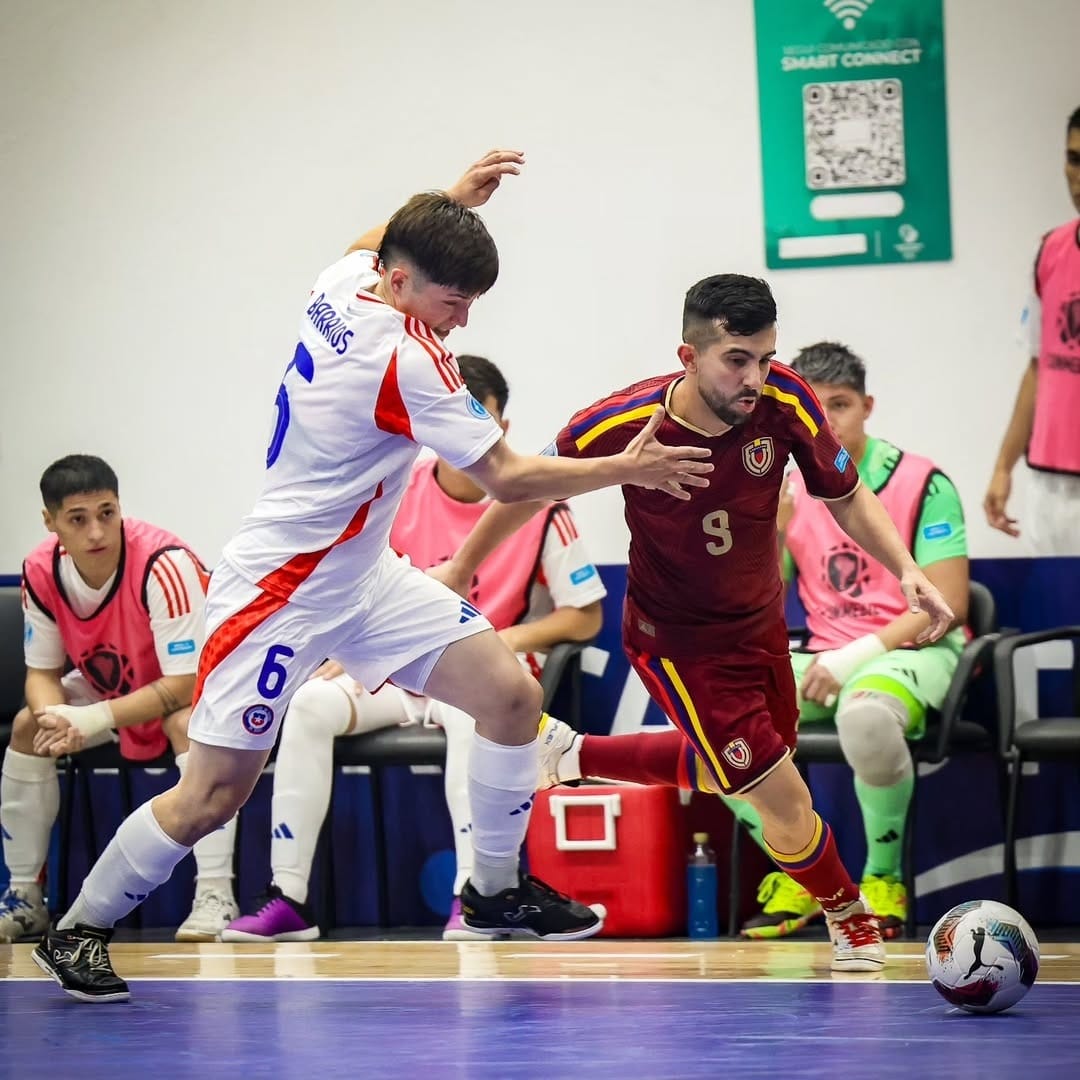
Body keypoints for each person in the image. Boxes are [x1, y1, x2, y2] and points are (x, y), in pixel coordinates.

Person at [34, 149, 712, 1002]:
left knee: (509, 696)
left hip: (362, 577)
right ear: (399, 284)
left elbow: (378, 233)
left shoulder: (345, 280)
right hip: (278, 595)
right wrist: (626, 469)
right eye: (450, 300)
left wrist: (452, 202)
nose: (461, 322)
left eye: (471, 304)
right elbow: (506, 476)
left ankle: (494, 891)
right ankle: (79, 929)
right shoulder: (407, 361)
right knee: (212, 795)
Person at [434, 278, 956, 973]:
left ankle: (572, 755)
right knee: (781, 791)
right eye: (737, 360)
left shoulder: (785, 401)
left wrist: (905, 570)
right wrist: (463, 565)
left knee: (739, 776)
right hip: (677, 642)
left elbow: (846, 494)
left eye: (766, 358)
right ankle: (848, 915)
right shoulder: (621, 423)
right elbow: (528, 485)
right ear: (689, 354)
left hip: (761, 629)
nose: (755, 377)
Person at [220, 354, 606, 943]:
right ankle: (289, 898)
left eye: (490, 421)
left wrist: (500, 641)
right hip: (397, 666)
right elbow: (352, 584)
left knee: (469, 707)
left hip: (478, 670)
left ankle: (473, 896)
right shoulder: (396, 487)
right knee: (306, 707)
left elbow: (584, 617)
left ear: (503, 427)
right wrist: (337, 649)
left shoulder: (540, 501)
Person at [2, 455, 238, 944]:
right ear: (51, 522)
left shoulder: (163, 562)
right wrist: (55, 717)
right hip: (112, 691)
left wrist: (89, 719)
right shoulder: (40, 569)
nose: (95, 532)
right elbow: (42, 673)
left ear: (120, 508)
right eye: (78, 519)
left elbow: (184, 683)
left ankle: (216, 895)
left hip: (193, 688)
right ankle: (25, 897)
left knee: (188, 724)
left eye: (106, 513)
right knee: (28, 725)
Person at [984, 106, 1080, 554]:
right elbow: (1039, 368)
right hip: (1050, 480)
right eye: (1074, 159)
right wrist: (1004, 466)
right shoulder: (1051, 251)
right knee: (1062, 617)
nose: (1078, 175)